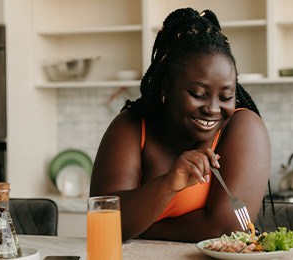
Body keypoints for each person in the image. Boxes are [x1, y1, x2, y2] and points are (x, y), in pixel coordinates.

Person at [90, 7, 271, 242]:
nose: (213, 109)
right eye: (198, 94)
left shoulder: (244, 128)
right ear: (166, 88)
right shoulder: (132, 126)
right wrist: (167, 185)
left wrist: (145, 229)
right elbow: (104, 221)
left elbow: (225, 229)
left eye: (226, 96)